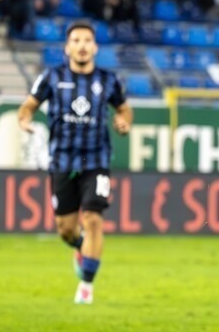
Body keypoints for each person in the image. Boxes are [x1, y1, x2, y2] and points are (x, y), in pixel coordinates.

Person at [16, 20, 133, 304]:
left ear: (95, 47)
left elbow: (124, 109)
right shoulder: (51, 77)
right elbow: (27, 108)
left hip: (96, 160)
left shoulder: (109, 80)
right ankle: (81, 248)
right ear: (68, 47)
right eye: (76, 41)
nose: (82, 46)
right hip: (62, 160)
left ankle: (86, 286)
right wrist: (25, 121)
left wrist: (123, 122)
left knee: (93, 219)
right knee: (67, 230)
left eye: (87, 41)